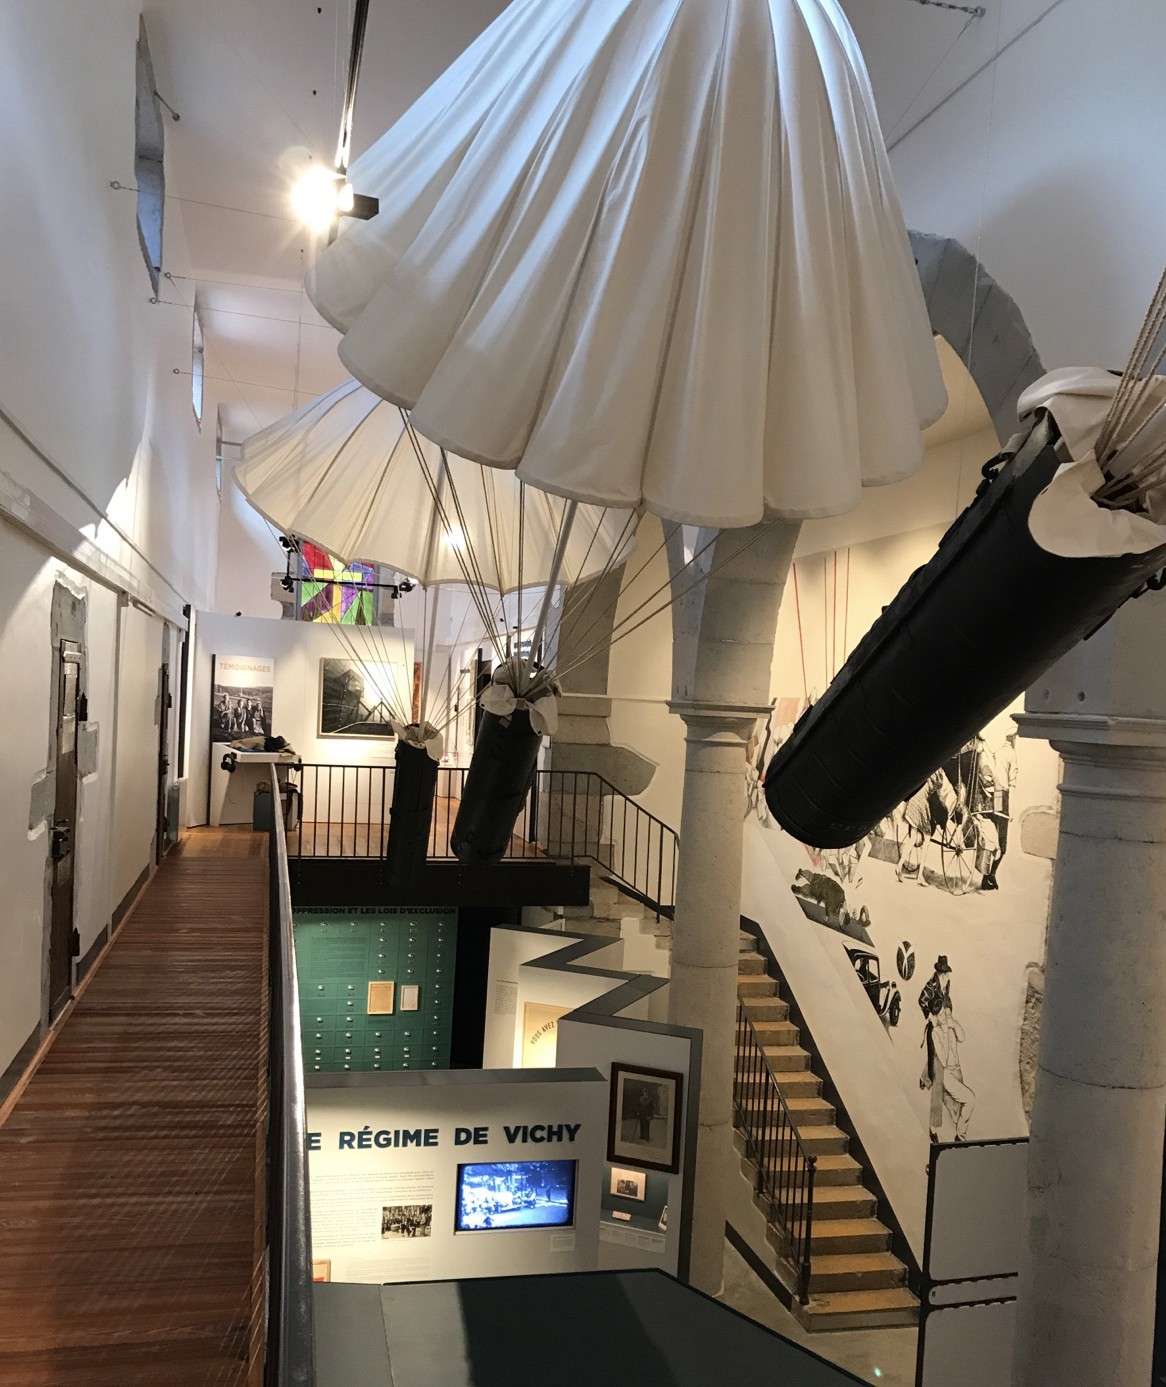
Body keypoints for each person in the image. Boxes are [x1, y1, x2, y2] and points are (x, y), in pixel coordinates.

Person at [920, 994, 975, 1141]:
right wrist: (943, 1030)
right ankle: (959, 1136)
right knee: (966, 1099)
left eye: (947, 1013)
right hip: (945, 1072)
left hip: (956, 1070)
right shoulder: (936, 1031)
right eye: (942, 1014)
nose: (945, 1017)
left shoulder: (950, 1024)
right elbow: (941, 1059)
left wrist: (953, 1023)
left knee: (956, 1111)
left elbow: (962, 1037)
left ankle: (957, 1133)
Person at [898, 768, 961, 887]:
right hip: (921, 803)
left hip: (914, 800)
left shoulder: (929, 769)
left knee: (912, 838)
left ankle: (899, 865)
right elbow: (940, 796)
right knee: (927, 839)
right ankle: (920, 876)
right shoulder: (939, 775)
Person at [981, 730, 1018, 891]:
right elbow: (1012, 783)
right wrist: (1012, 809)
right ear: (1013, 739)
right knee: (1002, 844)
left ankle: (987, 876)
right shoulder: (1011, 754)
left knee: (992, 839)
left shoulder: (996, 751)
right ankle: (991, 874)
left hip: (992, 795)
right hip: (1003, 797)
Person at [917, 955, 953, 1019]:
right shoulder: (931, 986)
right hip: (935, 1020)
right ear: (939, 974)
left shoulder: (945, 985)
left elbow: (947, 999)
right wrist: (929, 1015)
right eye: (944, 973)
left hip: (945, 1018)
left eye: (946, 973)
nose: (946, 975)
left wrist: (949, 1009)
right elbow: (921, 1000)